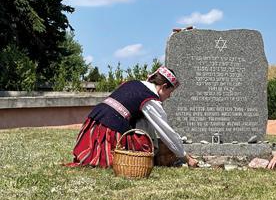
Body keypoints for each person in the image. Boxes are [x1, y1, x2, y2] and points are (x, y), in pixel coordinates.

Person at [67, 66, 198, 168]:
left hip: (94, 121)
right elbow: (165, 131)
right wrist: (186, 157)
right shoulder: (150, 98)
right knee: (141, 147)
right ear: (164, 87)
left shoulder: (134, 83)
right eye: (170, 92)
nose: (169, 97)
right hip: (109, 128)